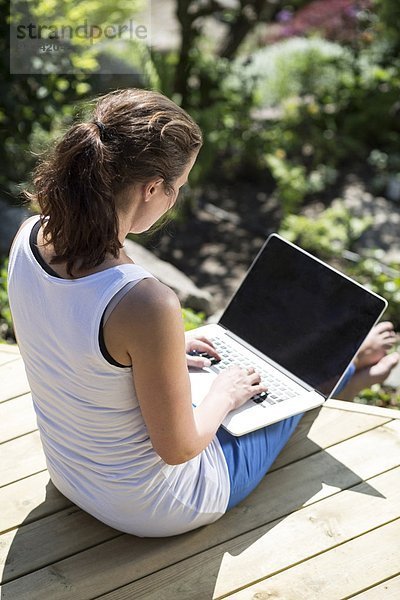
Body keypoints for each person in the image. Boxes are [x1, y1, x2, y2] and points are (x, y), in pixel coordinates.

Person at [7, 89, 399, 538]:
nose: (175, 200)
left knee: (246, 381)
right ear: (152, 187)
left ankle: (348, 365)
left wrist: (161, 350)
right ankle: (350, 368)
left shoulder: (28, 236)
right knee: (280, 390)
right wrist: (224, 395)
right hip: (158, 505)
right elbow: (178, 450)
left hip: (71, 474)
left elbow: (66, 338)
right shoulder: (143, 301)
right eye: (178, 187)